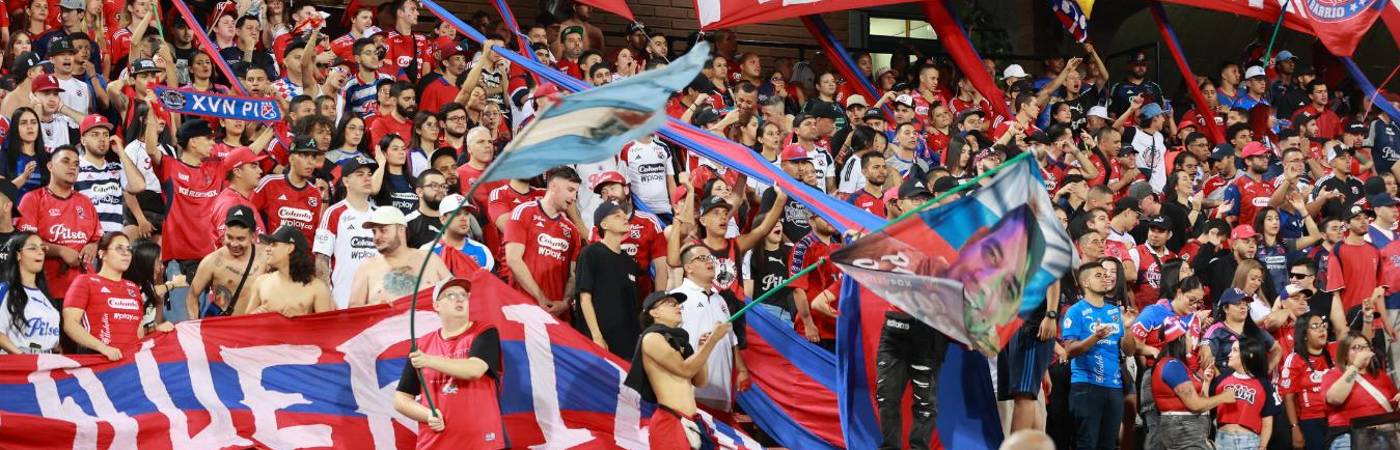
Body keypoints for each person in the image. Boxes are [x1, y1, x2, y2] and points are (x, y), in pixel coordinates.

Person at [394, 277, 506, 449]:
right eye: (451, 295)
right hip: (435, 443)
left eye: (463, 295)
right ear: (436, 306)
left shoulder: (485, 332)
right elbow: (401, 399)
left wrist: (428, 360)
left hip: (482, 443)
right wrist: (427, 415)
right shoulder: (421, 345)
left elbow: (475, 369)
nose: (460, 299)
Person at [623, 290, 732, 450]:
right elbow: (685, 370)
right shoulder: (651, 338)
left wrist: (703, 347)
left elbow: (700, 381)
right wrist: (713, 340)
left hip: (692, 422)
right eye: (670, 303)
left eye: (678, 304)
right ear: (654, 312)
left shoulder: (679, 342)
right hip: (670, 423)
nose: (678, 307)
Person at [1063, 260, 1134, 450]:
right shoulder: (1075, 311)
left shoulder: (1114, 312)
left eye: (1106, 275)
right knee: (1086, 444)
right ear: (1085, 283)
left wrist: (1128, 329)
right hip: (1086, 386)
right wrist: (1095, 337)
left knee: (1109, 445)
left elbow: (1129, 351)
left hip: (1113, 387)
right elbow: (1068, 351)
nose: (1106, 278)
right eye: (1099, 275)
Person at [17, 145, 100, 303]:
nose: (72, 167)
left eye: (76, 164)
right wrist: (60, 251)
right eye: (65, 161)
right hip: (46, 290)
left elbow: (96, 237)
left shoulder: (86, 202)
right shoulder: (32, 199)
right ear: (50, 166)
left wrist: (93, 245)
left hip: (85, 290)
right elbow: (23, 241)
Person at [670, 244, 747, 414]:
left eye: (710, 258)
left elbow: (731, 337)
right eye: (702, 258)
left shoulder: (720, 299)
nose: (709, 261)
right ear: (688, 267)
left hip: (722, 388)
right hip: (692, 388)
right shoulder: (676, 297)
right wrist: (694, 343)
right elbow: (667, 341)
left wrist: (741, 370)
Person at [62, 232, 155, 360]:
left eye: (129, 249)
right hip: (97, 362)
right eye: (119, 248)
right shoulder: (84, 282)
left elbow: (138, 332)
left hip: (129, 363)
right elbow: (70, 325)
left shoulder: (133, 288)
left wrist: (158, 331)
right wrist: (103, 348)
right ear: (102, 254)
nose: (126, 253)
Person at [503, 167, 582, 317]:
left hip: (557, 315)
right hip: (524, 310)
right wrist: (540, 298)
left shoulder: (572, 230)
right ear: (553, 186)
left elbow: (573, 275)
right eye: (570, 190)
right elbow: (513, 259)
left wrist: (565, 302)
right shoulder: (523, 212)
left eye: (576, 192)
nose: (574, 197)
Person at [349, 206, 451, 307]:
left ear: (401, 230)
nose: (376, 237)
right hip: (385, 322)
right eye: (374, 231)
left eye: (383, 230)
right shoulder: (367, 267)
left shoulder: (430, 259)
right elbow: (352, 313)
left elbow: (456, 292)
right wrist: (372, 308)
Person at [576, 201, 641, 357]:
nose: (625, 218)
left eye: (624, 214)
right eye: (617, 216)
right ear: (604, 224)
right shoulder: (591, 253)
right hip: (601, 340)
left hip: (629, 342)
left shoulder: (629, 262)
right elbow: (585, 297)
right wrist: (596, 336)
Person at [316, 155, 380, 308]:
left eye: (369, 174)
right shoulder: (334, 213)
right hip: (341, 301)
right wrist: (326, 297)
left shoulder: (380, 215)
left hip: (375, 303)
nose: (367, 178)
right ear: (345, 181)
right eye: (360, 174)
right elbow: (321, 259)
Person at [1322, 331, 1399, 450]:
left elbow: (1393, 405)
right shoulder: (1333, 375)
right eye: (1356, 347)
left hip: (1383, 434)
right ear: (1345, 354)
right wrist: (1356, 366)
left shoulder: (1380, 376)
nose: (1362, 351)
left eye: (1365, 347)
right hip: (1348, 435)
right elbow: (1334, 399)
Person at [186, 206, 265, 318]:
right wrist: (194, 326)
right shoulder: (212, 261)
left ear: (252, 237)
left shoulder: (266, 256)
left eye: (240, 239)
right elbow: (192, 296)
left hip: (254, 329)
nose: (234, 244)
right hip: (222, 329)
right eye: (229, 237)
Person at [240, 225, 334, 317]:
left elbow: (326, 328)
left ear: (289, 248)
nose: (267, 248)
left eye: (274, 245)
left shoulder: (317, 287)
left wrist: (301, 321)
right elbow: (244, 325)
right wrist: (253, 316)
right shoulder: (261, 282)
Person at [253, 135, 323, 245]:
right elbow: (248, 211)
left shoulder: (315, 193)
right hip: (274, 255)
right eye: (304, 155)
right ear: (291, 158)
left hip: (302, 259)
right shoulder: (270, 183)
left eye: (313, 157)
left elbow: (316, 233)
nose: (310, 162)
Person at [1280, 312, 1334, 450]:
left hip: (1337, 417)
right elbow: (1288, 396)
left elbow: (1362, 342)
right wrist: (1294, 427)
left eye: (1323, 325)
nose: (1322, 329)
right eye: (1315, 326)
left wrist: (1368, 320)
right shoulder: (1295, 359)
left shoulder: (1334, 351)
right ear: (1304, 335)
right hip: (1311, 421)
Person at [1213, 338, 1278, 450]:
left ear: (1249, 355)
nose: (1229, 354)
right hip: (1222, 440)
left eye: (1234, 350)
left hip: (1250, 440)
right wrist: (1206, 382)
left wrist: (1262, 446)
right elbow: (1205, 408)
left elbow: (1267, 420)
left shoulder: (1264, 384)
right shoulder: (1221, 380)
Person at [0, 232, 58, 354]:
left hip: (44, 365)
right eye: (33, 248)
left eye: (42, 248)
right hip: (18, 367)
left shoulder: (46, 295)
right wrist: (21, 356)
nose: (40, 252)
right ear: (18, 255)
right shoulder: (5, 290)